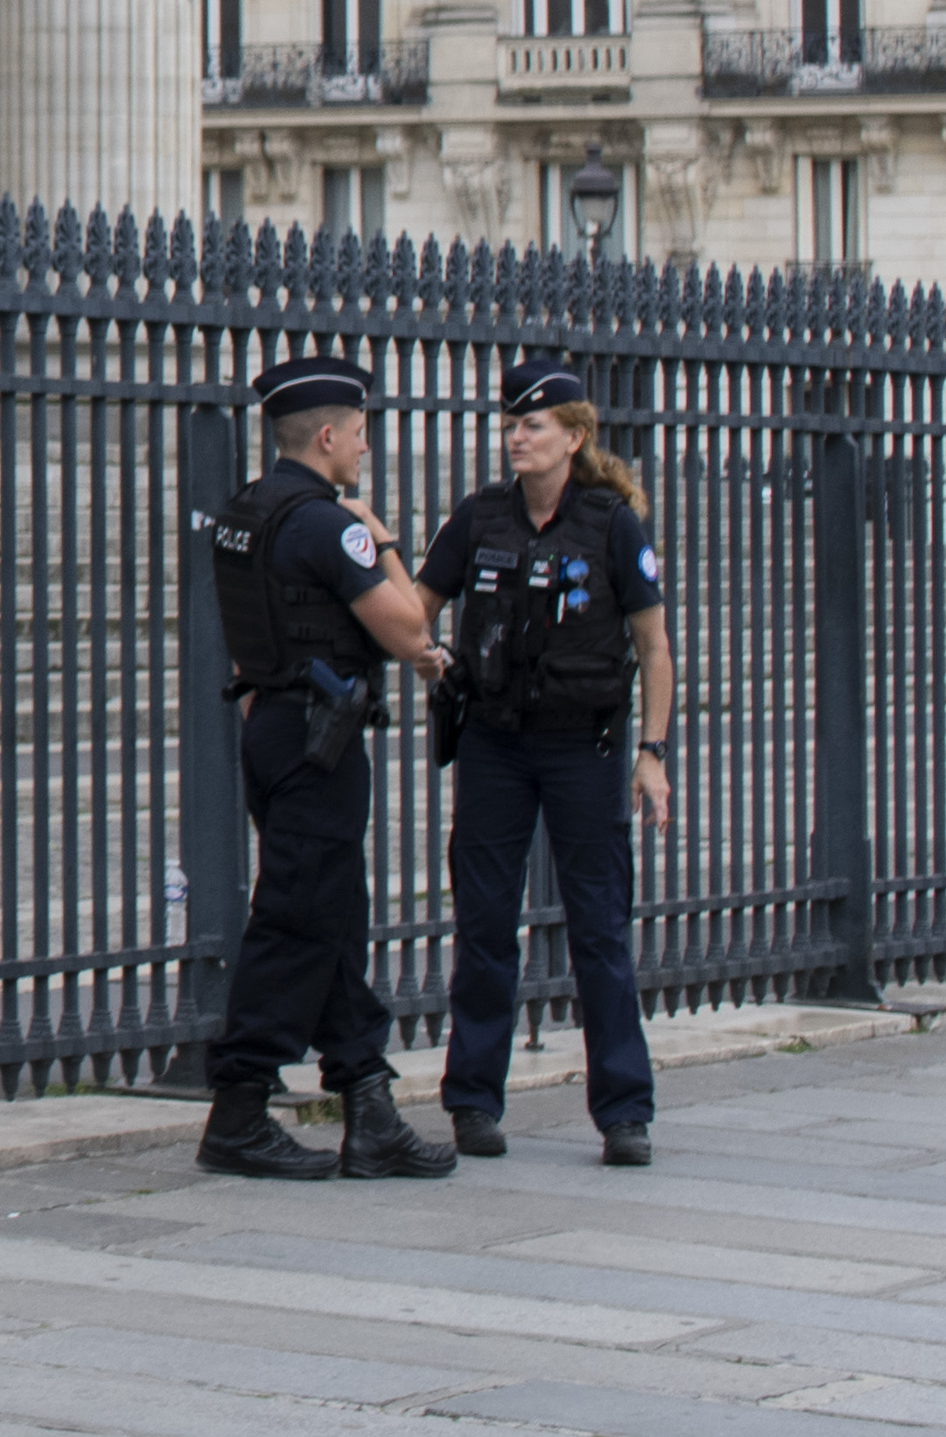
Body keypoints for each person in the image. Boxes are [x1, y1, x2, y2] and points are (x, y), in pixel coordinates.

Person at [195, 354, 461, 1182]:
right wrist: (381, 540)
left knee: (334, 909)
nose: (365, 448)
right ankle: (239, 1104)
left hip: (273, 722)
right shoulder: (326, 521)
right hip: (319, 738)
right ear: (327, 434)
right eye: (361, 433)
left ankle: (367, 1100)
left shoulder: (247, 510)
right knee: (299, 916)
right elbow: (413, 628)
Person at [418, 357, 675, 1168]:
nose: (516, 437)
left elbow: (654, 645)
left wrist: (652, 753)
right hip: (494, 740)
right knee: (486, 924)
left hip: (584, 746)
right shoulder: (480, 517)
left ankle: (624, 1112)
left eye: (532, 425)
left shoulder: (609, 523)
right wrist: (421, 649)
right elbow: (418, 603)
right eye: (511, 424)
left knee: (599, 927)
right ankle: (472, 1103)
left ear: (573, 436)